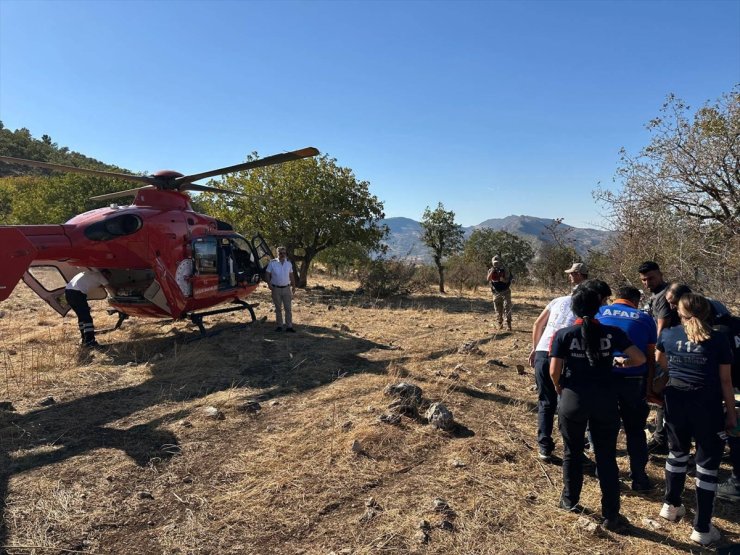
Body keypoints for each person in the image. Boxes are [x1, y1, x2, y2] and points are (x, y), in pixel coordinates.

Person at [549, 287, 646, 531]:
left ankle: (570, 500)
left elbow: (553, 371)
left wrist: (561, 388)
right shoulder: (613, 333)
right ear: (599, 306)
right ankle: (611, 514)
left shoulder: (564, 335)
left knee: (572, 452)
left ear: (575, 309)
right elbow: (641, 359)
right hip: (605, 401)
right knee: (606, 456)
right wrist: (618, 362)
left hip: (573, 399)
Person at [656, 293, 736, 546]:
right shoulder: (719, 339)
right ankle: (702, 528)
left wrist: (679, 369)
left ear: (679, 312)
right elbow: (726, 381)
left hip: (676, 402)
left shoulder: (668, 334)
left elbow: (659, 361)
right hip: (707, 406)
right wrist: (731, 414)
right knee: (707, 464)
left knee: (677, 453)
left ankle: (670, 505)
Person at [598, 285, 657, 491]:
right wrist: (650, 387)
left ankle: (604, 473)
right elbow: (650, 357)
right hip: (634, 379)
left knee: (604, 429)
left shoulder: (599, 311)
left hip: (604, 378)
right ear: (636, 301)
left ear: (615, 298)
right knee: (635, 430)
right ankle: (639, 478)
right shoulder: (644, 318)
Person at [640, 261, 672, 455]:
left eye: (651, 278)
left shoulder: (664, 295)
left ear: (660, 274)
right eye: (643, 279)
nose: (647, 282)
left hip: (664, 351)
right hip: (659, 349)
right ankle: (662, 436)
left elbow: (662, 327)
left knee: (661, 394)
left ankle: (662, 438)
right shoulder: (654, 295)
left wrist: (654, 354)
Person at [64, 269, 111, 348]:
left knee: (81, 316)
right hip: (77, 294)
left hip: (68, 292)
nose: (108, 279)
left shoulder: (88, 273)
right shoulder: (100, 276)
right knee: (87, 318)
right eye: (108, 277)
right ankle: (90, 341)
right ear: (105, 273)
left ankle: (84, 339)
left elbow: (97, 284)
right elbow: (110, 287)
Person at [265, 247, 296, 332]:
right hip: (276, 289)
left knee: (288, 308)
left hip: (286, 288)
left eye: (284, 253)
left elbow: (291, 275)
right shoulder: (272, 263)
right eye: (280, 253)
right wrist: (269, 284)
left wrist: (294, 286)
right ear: (277, 254)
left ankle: (289, 326)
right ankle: (279, 326)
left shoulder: (289, 263)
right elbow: (267, 274)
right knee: (278, 308)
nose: (282, 255)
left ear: (286, 254)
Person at [486, 256, 512, 330]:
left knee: (507, 307)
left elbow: (508, 280)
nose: (496, 264)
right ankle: (500, 324)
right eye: (495, 263)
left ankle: (508, 325)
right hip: (496, 292)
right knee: (498, 309)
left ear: (500, 262)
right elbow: (488, 279)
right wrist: (492, 271)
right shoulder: (491, 270)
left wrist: (503, 280)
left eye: (497, 263)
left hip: (505, 291)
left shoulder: (505, 269)